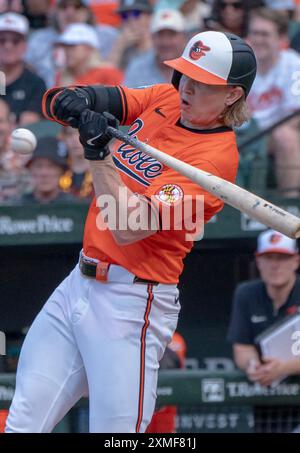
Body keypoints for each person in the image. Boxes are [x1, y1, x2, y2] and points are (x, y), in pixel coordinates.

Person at [6, 30, 257, 433]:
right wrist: (79, 103)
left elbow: (127, 226)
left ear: (231, 95)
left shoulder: (214, 162)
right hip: (78, 283)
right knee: (23, 420)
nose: (187, 88)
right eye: (186, 75)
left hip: (132, 302)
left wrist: (98, 154)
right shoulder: (162, 98)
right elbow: (58, 100)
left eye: (202, 83)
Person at [227, 229, 300, 387]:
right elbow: (242, 348)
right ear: (258, 261)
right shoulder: (246, 293)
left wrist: (284, 368)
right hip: (265, 397)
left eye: (282, 258)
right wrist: (254, 366)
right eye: (268, 258)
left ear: (296, 261)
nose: (275, 265)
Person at [247, 8, 300, 197]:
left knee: (285, 135)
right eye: (254, 33)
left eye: (265, 34)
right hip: (242, 133)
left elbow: (295, 116)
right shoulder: (242, 64)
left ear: (281, 37)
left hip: (271, 136)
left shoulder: (293, 65)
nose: (258, 39)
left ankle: (291, 205)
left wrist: (261, 137)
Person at [26, 0, 119, 87]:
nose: (70, 12)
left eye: (77, 7)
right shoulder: (39, 39)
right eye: (64, 7)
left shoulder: (107, 35)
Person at [0, 12, 47, 126]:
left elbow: (28, 127)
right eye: (2, 40)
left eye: (15, 41)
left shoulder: (36, 84)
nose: (8, 46)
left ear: (25, 45)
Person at [124, 9, 187, 87]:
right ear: (152, 38)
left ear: (183, 38)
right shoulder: (138, 67)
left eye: (172, 35)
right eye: (160, 35)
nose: (165, 42)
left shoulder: (195, 68)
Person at [55, 23, 123, 86]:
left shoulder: (109, 73)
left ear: (88, 48)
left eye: (72, 46)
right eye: (65, 46)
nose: (67, 51)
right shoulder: (61, 76)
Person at [20, 136, 75, 205]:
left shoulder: (73, 207)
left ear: (61, 171)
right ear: (30, 169)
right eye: (39, 166)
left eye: (51, 166)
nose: (44, 173)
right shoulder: (15, 206)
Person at [107, 0, 153, 69]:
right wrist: (119, 47)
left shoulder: (162, 43)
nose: (130, 20)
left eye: (136, 14)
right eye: (124, 16)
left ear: (149, 18)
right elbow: (107, 75)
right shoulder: (121, 46)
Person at [59, 126, 94, 200]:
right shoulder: (58, 171)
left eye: (80, 133)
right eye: (69, 134)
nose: (75, 139)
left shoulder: (102, 171)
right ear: (63, 139)